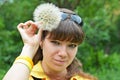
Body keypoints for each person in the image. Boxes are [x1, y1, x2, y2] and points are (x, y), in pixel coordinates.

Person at [3, 3, 97, 80]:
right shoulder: (24, 76)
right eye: (56, 42)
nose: (63, 53)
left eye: (72, 45)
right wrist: (29, 47)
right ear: (41, 41)